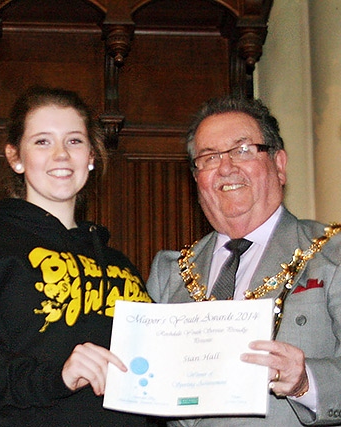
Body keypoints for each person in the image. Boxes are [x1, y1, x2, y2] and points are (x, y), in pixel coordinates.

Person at [0, 86, 153, 427]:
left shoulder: (121, 266)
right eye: (43, 141)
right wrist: (56, 377)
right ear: (15, 157)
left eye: (74, 141)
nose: (61, 155)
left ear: (91, 156)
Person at [146, 95, 341, 426]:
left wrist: (306, 381)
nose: (225, 167)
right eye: (208, 157)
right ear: (196, 178)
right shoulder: (170, 273)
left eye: (242, 150)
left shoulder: (331, 253)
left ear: (279, 164)